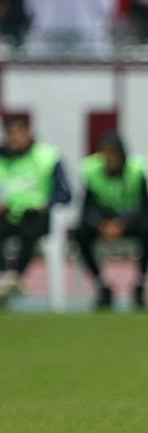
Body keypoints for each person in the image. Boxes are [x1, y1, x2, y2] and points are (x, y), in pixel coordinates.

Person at [74, 132, 148, 310]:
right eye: (105, 153)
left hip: (130, 221)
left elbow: (145, 208)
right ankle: (101, 284)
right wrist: (101, 224)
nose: (109, 158)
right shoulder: (92, 171)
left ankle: (140, 283)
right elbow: (87, 209)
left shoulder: (137, 171)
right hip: (103, 221)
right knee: (80, 233)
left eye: (113, 153)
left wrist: (122, 224)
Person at [0, 116, 71, 305]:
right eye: (10, 134)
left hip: (36, 215)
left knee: (30, 228)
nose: (14, 138)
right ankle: (4, 278)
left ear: (28, 133)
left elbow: (65, 193)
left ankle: (15, 276)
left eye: (18, 133)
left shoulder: (48, 157)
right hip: (7, 215)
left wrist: (46, 205)